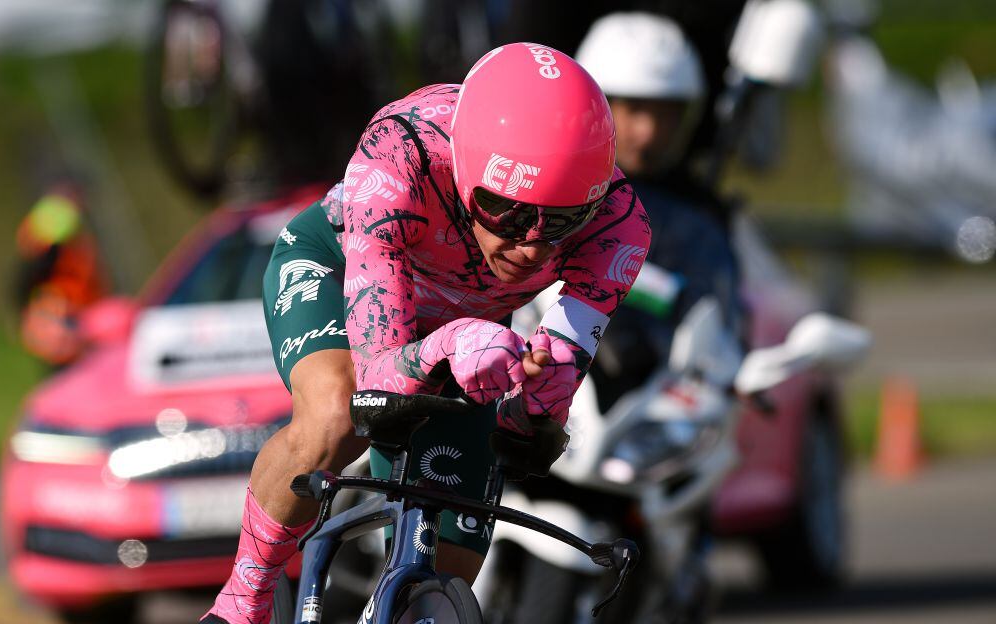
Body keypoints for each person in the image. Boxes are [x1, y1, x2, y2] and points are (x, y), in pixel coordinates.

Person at [202, 42, 652, 623]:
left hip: (472, 333)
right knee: (336, 417)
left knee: (451, 562)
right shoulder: (401, 149)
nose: (531, 244)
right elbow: (380, 379)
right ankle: (244, 598)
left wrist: (536, 399)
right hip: (343, 274)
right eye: (507, 212)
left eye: (561, 222)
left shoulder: (620, 224)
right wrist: (452, 342)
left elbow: (543, 412)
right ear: (464, 167)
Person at [574, 13, 743, 402]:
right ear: (596, 104)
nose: (648, 131)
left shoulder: (701, 213)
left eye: (664, 112)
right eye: (634, 108)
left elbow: (716, 313)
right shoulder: (551, 189)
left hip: (659, 404)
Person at [14, 181, 109, 369]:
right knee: (64, 371)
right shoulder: (47, 240)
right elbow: (26, 277)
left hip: (75, 313)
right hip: (58, 314)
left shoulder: (78, 244)